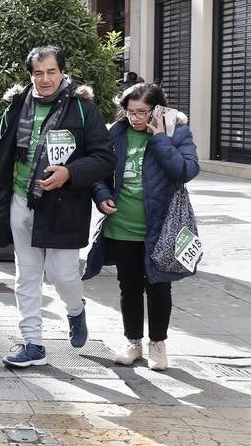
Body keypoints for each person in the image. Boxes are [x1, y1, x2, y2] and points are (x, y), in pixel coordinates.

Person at [0, 46, 115, 368]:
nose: (45, 79)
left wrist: (70, 172)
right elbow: (2, 154)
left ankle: (76, 310)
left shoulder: (82, 110)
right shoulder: (17, 107)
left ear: (62, 72)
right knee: (27, 275)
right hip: (22, 201)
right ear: (30, 75)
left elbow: (105, 158)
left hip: (64, 206)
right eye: (38, 73)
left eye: (51, 71)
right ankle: (33, 343)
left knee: (62, 275)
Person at [83, 84, 200, 372]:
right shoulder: (117, 133)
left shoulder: (177, 133)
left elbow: (186, 170)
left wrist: (159, 139)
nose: (135, 118)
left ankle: (157, 344)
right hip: (122, 225)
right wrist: (102, 195)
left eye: (142, 112)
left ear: (158, 109)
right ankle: (133, 343)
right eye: (130, 112)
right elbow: (99, 170)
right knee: (129, 287)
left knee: (159, 287)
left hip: (159, 226)